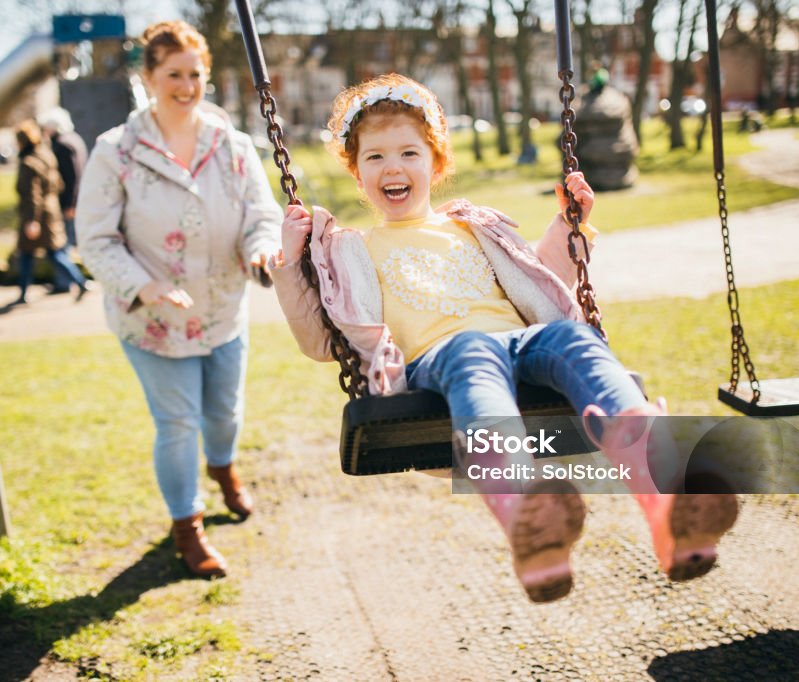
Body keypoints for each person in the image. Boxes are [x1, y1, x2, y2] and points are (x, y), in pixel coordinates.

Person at [273, 74, 738, 602]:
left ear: (435, 164)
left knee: (570, 338)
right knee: (470, 350)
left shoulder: (474, 227)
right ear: (358, 176)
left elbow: (539, 280)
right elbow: (318, 341)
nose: (394, 167)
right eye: (375, 158)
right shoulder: (350, 249)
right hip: (440, 362)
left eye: (409, 152)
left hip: (521, 344)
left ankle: (667, 499)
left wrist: (570, 227)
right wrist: (293, 261)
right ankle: (526, 511)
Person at [75, 20, 282, 579]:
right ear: (148, 77)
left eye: (195, 74)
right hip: (155, 321)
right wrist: (145, 284)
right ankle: (187, 527)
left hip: (222, 309)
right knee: (177, 423)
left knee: (224, 414)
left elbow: (262, 217)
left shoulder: (233, 146)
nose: (186, 85)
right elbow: (94, 238)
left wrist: (262, 250)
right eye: (173, 74)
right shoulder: (115, 152)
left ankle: (223, 469)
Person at [13, 119, 90, 305]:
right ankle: (78, 281)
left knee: (37, 254)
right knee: (51, 252)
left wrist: (32, 220)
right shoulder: (46, 155)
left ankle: (25, 291)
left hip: (37, 214)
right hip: (51, 210)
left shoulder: (29, 162)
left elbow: (33, 194)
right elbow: (58, 184)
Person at [38, 106, 89, 294]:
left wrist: (70, 204)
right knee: (64, 244)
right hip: (75, 199)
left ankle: (75, 280)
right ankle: (65, 281)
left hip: (68, 201)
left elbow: (72, 176)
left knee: (62, 245)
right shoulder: (74, 140)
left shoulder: (63, 145)